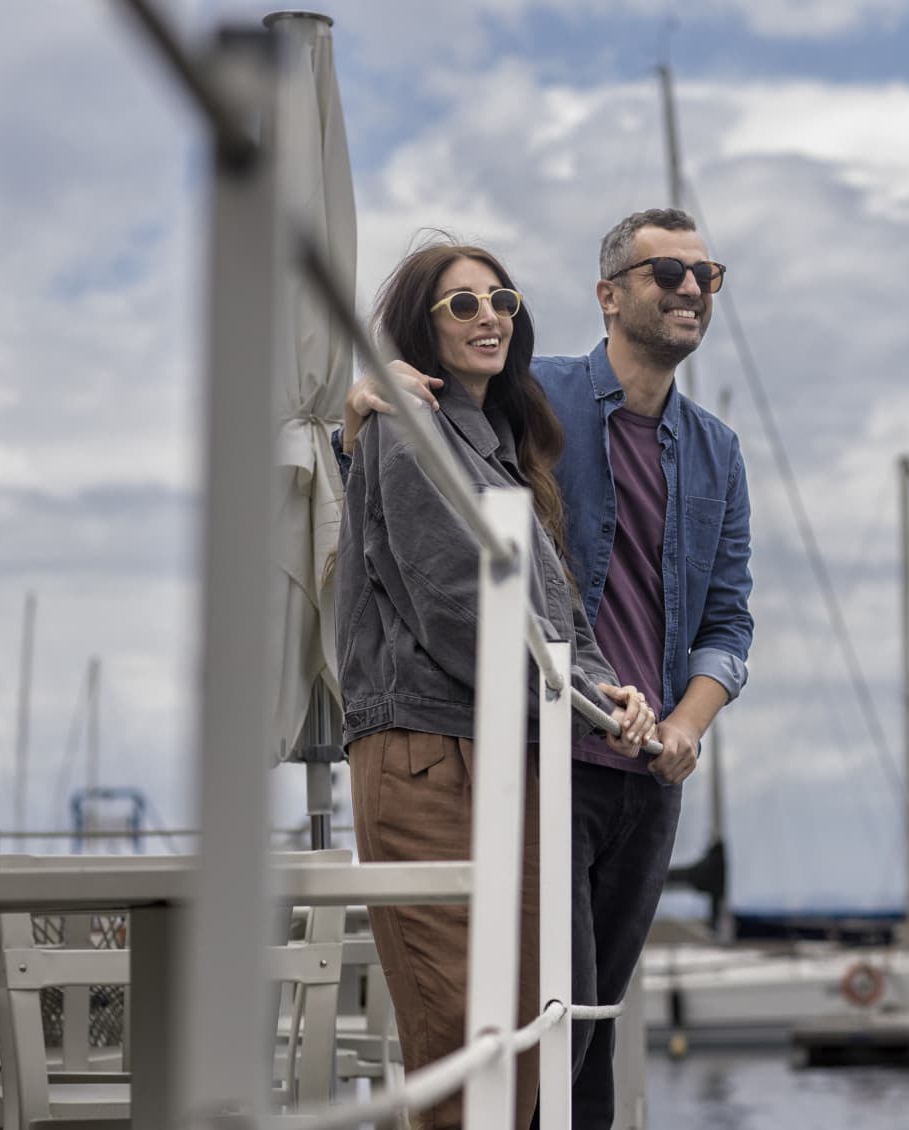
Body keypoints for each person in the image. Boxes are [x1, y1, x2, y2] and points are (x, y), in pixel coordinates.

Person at [342, 209, 755, 1129]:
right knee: (535, 1028)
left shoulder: (718, 453)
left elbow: (724, 621)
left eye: (706, 275)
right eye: (667, 275)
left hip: (645, 768)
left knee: (589, 1019)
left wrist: (683, 727)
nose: (691, 290)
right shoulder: (533, 395)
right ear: (610, 296)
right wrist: (362, 404)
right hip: (541, 752)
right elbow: (419, 466)